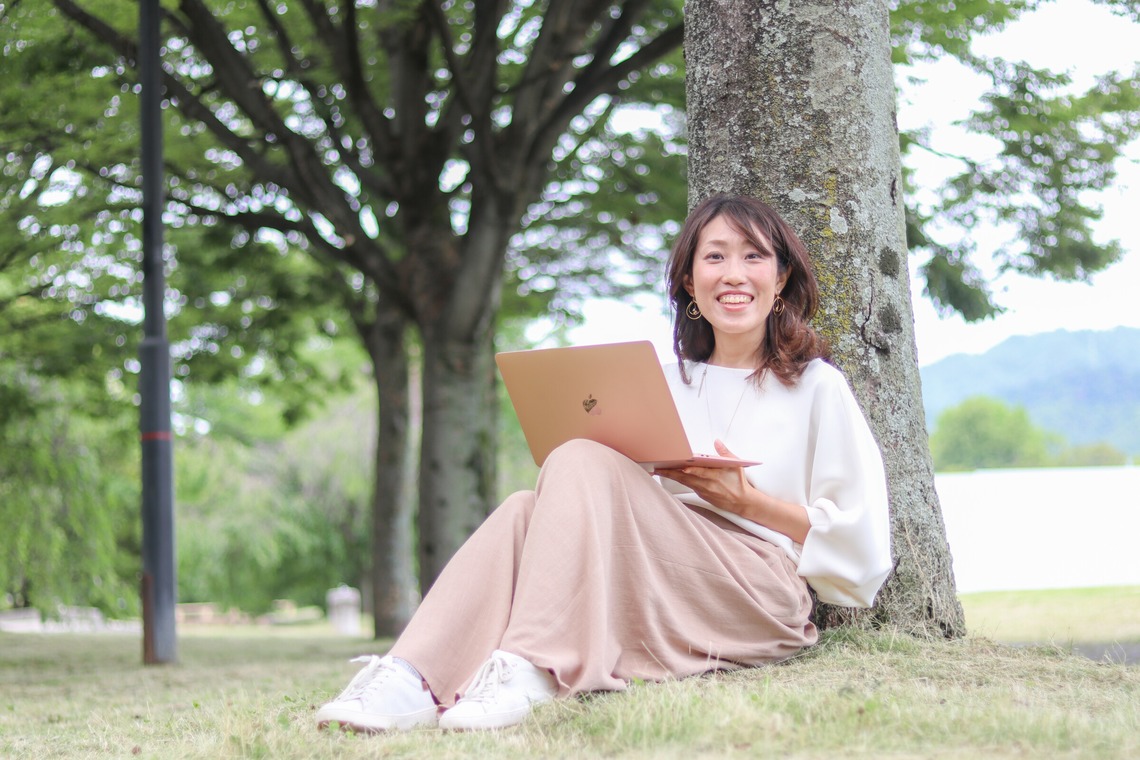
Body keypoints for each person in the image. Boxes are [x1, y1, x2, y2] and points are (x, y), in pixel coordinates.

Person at [315, 193, 893, 733]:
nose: (734, 274)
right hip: (654, 571)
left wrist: (746, 502)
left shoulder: (815, 386)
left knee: (579, 457)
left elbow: (863, 544)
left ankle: (533, 665)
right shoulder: (661, 382)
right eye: (715, 257)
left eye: (753, 257)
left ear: (781, 278)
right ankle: (411, 676)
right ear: (690, 281)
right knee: (523, 508)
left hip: (756, 588)